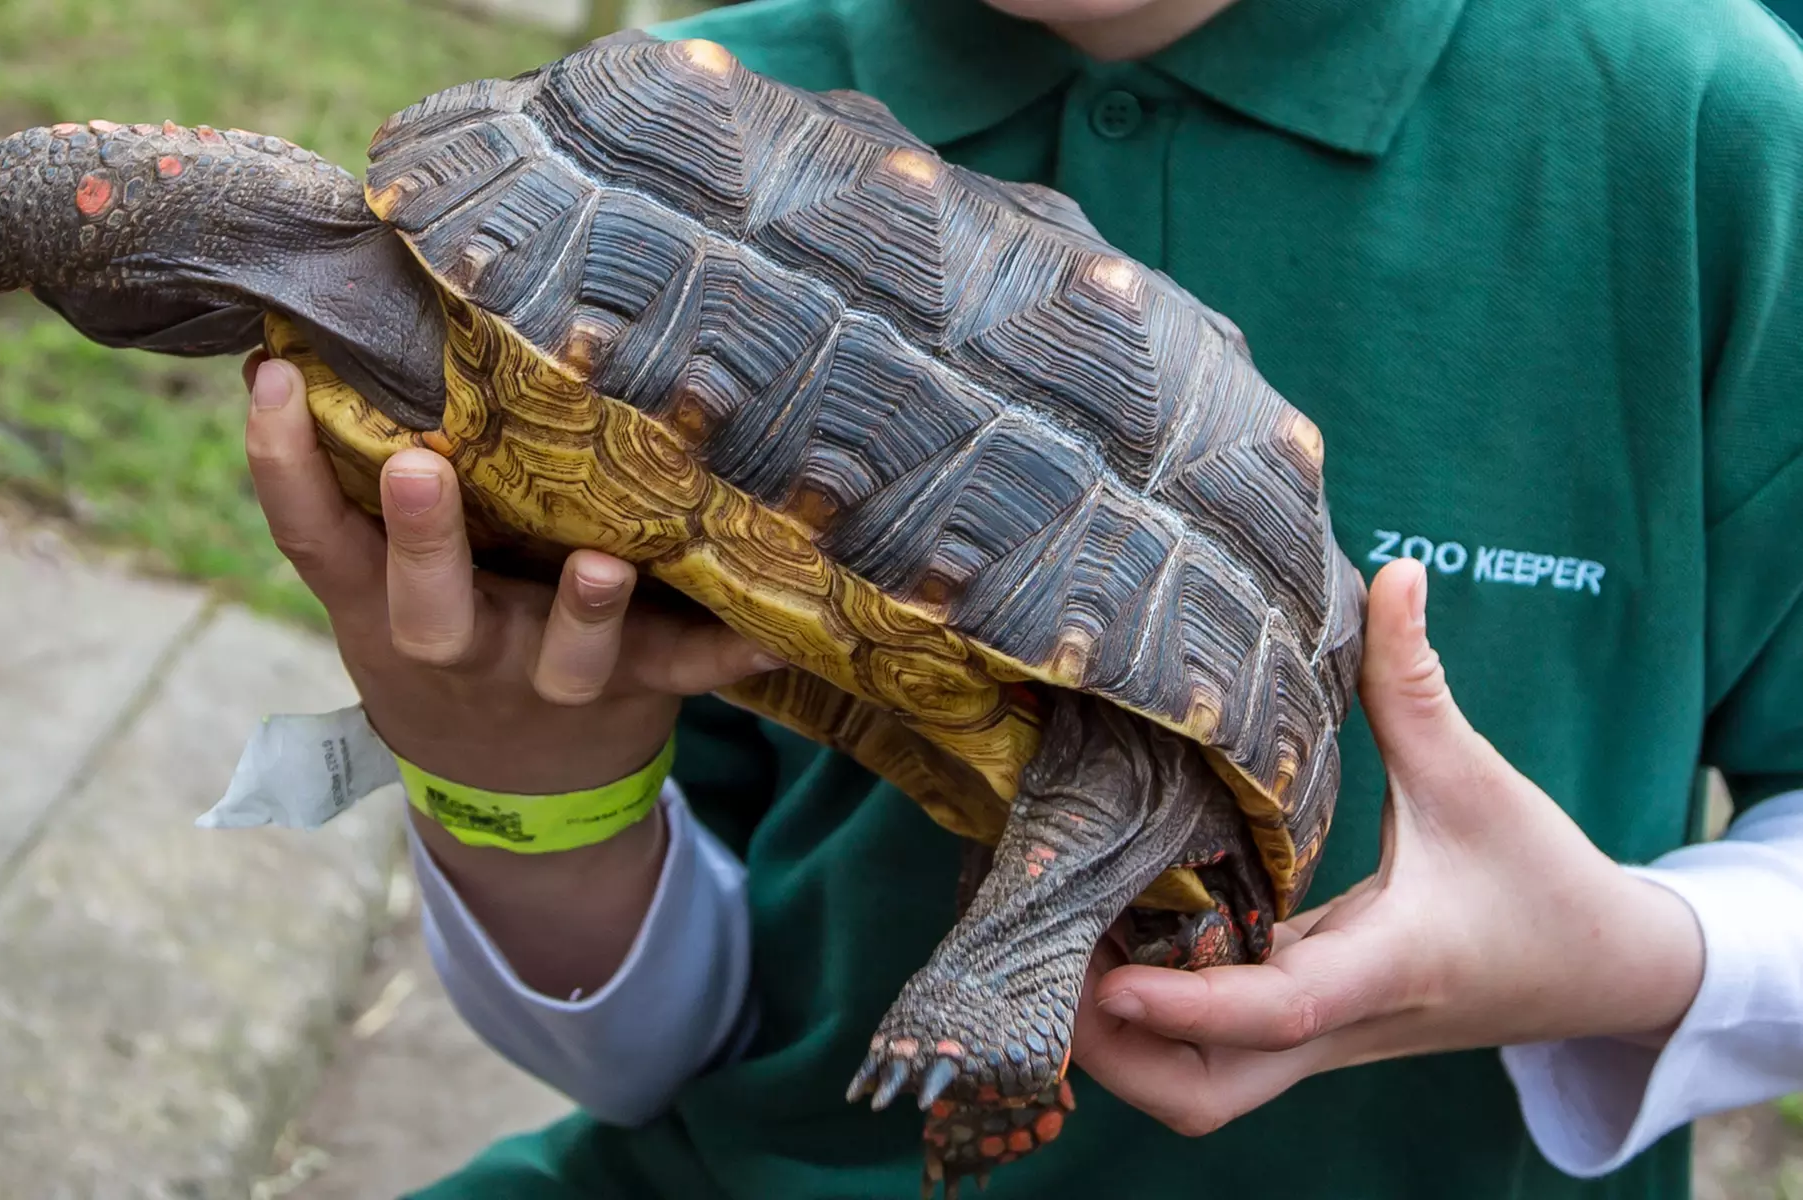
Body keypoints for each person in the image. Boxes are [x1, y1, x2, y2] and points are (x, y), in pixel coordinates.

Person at [237, 0, 1803, 1195]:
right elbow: (648, 1049)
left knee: (1116, 784)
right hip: (766, 1162)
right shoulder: (691, 101)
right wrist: (513, 780)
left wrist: (1637, 956)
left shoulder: (1706, 137)